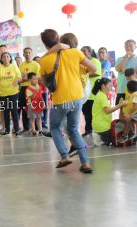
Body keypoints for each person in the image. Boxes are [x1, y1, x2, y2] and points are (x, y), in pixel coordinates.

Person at [39, 29, 96, 173]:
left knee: (55, 128)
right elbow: (93, 68)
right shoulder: (75, 53)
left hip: (60, 99)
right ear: (58, 38)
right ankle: (86, 163)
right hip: (77, 96)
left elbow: (45, 84)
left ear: (45, 45)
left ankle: (64, 156)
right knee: (74, 130)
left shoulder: (45, 60)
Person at [0, 52, 22, 136]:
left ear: (10, 58)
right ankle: (7, 129)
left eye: (7, 57)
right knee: (5, 112)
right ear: (1, 59)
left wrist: (17, 80)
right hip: (2, 94)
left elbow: (19, 77)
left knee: (14, 111)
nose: (6, 58)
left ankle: (16, 129)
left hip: (14, 93)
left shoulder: (14, 67)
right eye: (4, 57)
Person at [92, 78, 127, 145]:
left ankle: (99, 138)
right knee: (118, 141)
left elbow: (107, 109)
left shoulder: (101, 95)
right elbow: (107, 111)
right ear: (103, 86)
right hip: (103, 128)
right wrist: (120, 105)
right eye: (109, 86)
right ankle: (100, 139)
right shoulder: (102, 96)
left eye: (112, 86)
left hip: (101, 126)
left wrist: (119, 104)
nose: (111, 88)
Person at [81, 46, 102, 136]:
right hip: (85, 93)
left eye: (84, 51)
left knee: (93, 113)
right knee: (86, 113)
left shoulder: (95, 61)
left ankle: (96, 131)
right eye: (81, 51)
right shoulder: (82, 62)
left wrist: (83, 75)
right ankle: (88, 130)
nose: (83, 52)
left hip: (93, 93)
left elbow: (96, 72)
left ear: (90, 52)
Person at [115, 39, 137, 105]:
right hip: (121, 89)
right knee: (121, 111)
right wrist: (126, 57)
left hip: (135, 89)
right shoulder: (119, 59)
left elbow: (135, 71)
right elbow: (118, 69)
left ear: (135, 47)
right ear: (124, 47)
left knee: (134, 111)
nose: (129, 47)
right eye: (127, 46)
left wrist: (124, 70)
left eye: (131, 45)